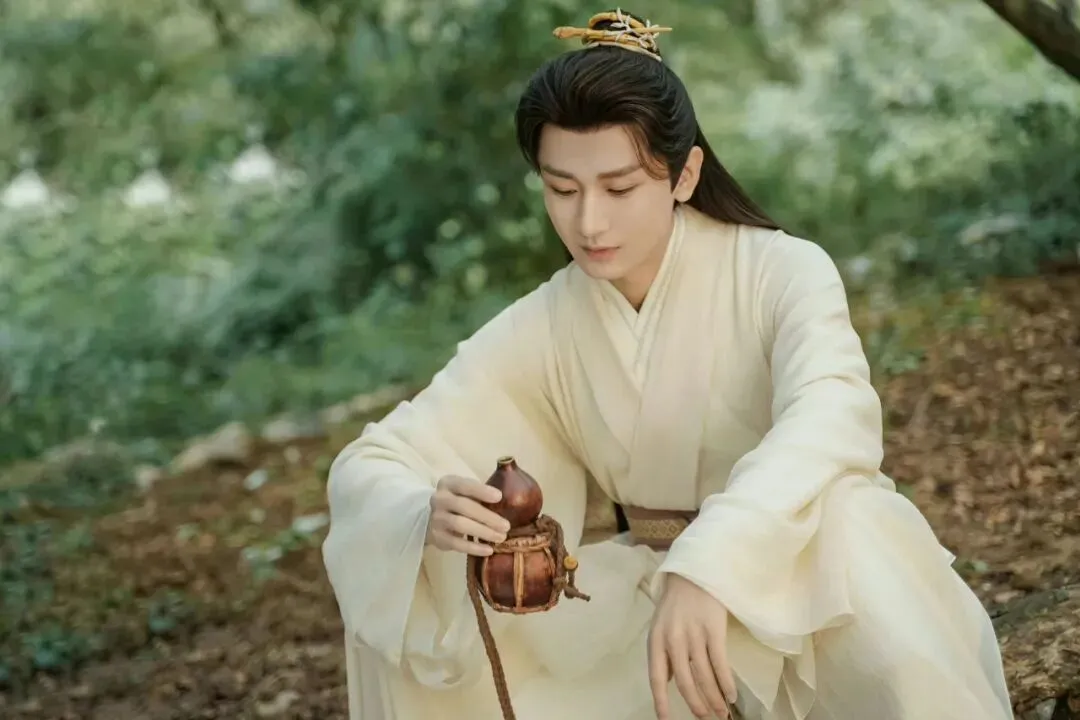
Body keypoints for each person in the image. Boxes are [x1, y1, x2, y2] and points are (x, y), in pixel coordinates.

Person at [322, 8, 1014, 720]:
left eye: (619, 188)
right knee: (417, 607)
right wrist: (424, 513)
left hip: (804, 564)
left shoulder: (782, 271)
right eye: (562, 189)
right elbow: (375, 460)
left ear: (685, 175)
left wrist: (713, 559)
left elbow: (830, 414)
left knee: (859, 531)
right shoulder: (545, 325)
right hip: (654, 598)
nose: (588, 222)